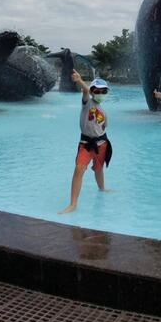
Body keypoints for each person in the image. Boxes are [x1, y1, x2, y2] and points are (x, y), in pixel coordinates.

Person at [59, 70, 113, 214]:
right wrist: (80, 81)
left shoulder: (103, 110)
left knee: (99, 168)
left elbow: (103, 127)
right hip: (86, 144)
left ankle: (102, 188)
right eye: (97, 91)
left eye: (103, 91)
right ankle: (73, 204)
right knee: (79, 169)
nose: (100, 94)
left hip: (102, 143)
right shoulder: (87, 103)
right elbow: (85, 91)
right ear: (93, 91)